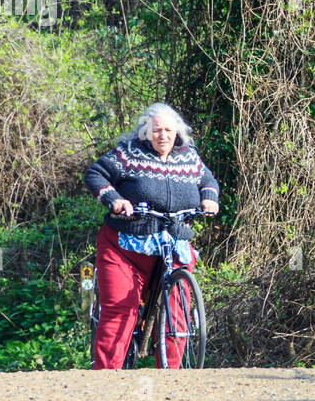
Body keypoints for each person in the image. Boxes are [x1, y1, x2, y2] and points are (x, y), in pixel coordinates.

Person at [83, 103, 219, 370]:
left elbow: (208, 181)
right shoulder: (128, 154)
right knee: (121, 308)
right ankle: (106, 377)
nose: (163, 136)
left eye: (168, 130)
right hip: (125, 245)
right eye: (157, 130)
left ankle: (171, 375)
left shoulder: (188, 157)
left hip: (173, 242)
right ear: (146, 132)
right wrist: (115, 200)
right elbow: (95, 173)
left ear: (177, 132)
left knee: (178, 313)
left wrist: (209, 199)